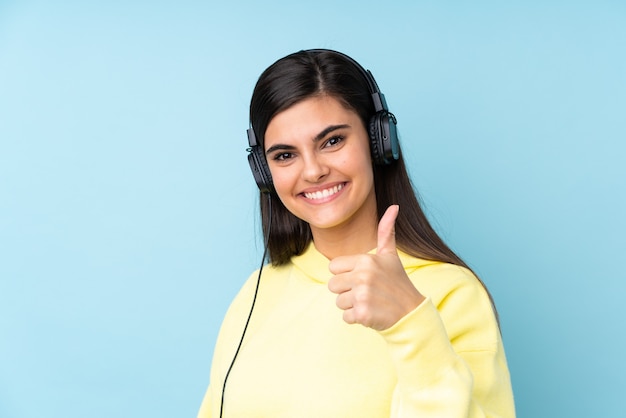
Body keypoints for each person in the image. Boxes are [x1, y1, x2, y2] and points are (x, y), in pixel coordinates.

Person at [197, 49, 515, 417]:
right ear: (264, 174)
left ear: (378, 141)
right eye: (285, 155)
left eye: (332, 141)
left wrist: (410, 323)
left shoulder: (450, 293)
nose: (313, 171)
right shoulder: (256, 292)